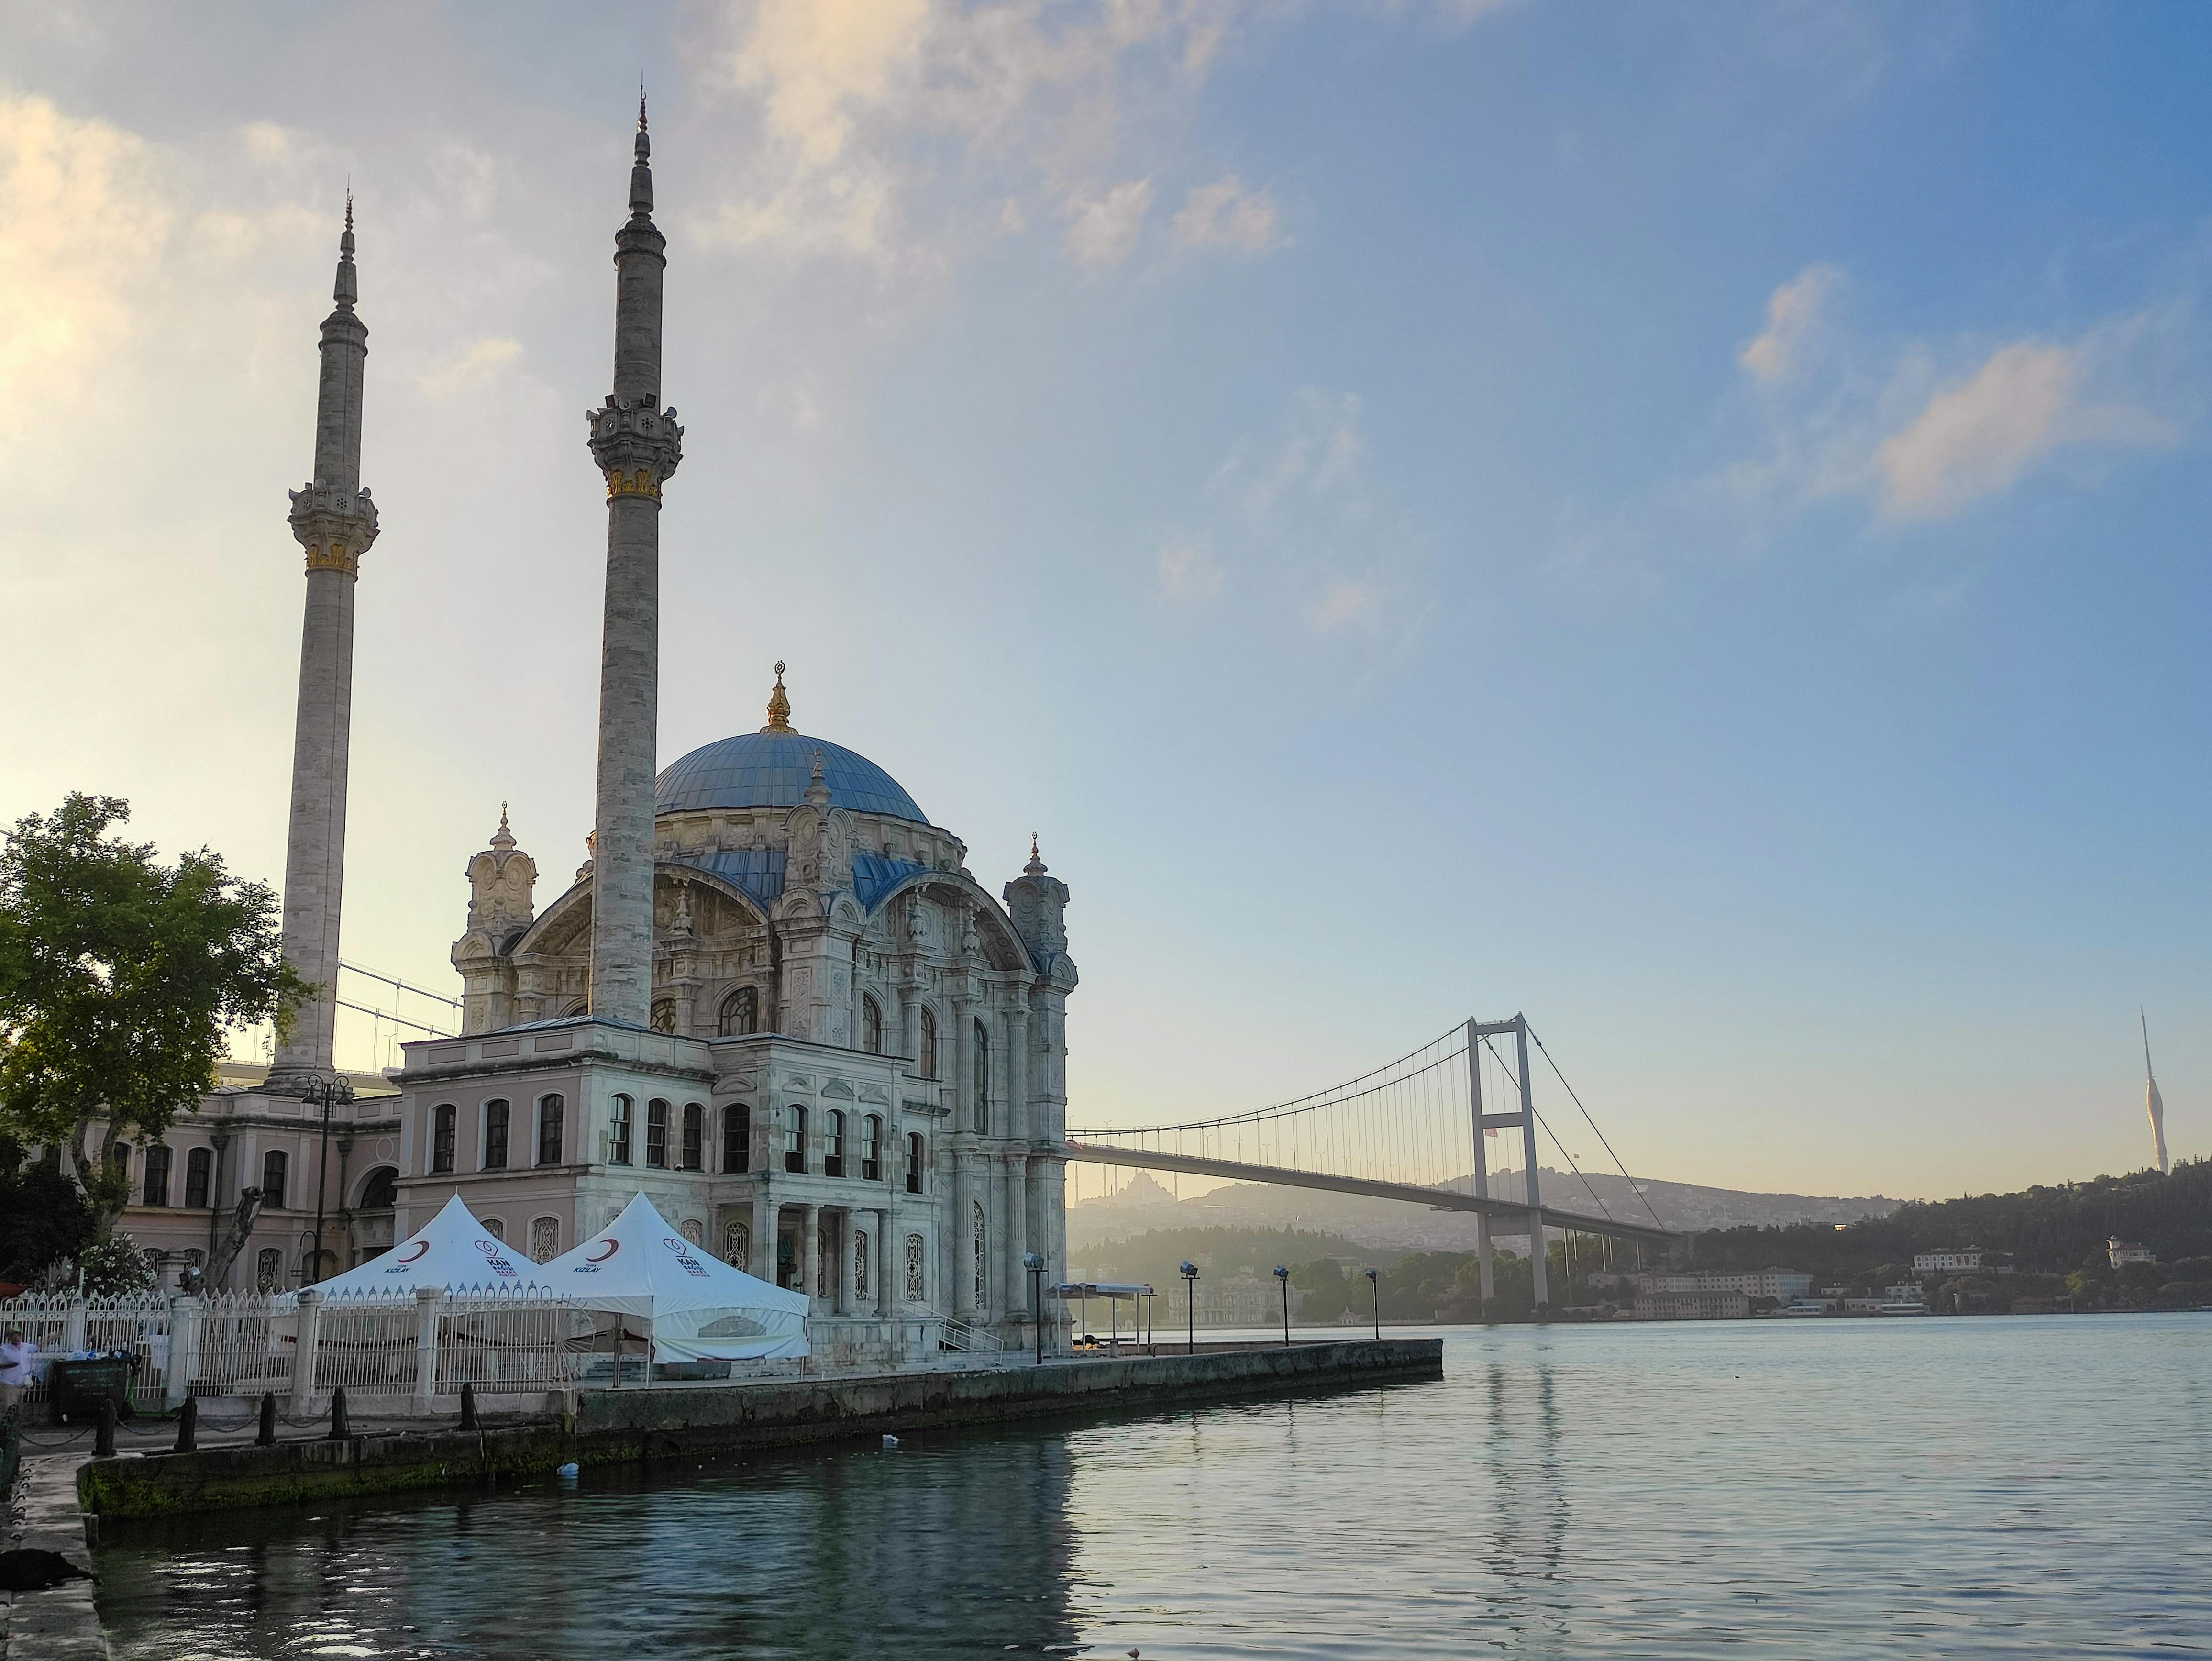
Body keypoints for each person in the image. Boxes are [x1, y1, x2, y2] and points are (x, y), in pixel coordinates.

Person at [0, 1324, 41, 1411]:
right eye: (14, 1336)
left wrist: (49, 1340)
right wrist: (9, 1366)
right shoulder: (4, 1350)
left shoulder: (25, 1347)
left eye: (18, 1336)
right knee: (9, 1408)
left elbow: (38, 1348)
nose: (16, 1338)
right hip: (7, 1384)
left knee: (17, 1409)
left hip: (21, 1384)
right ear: (9, 1338)